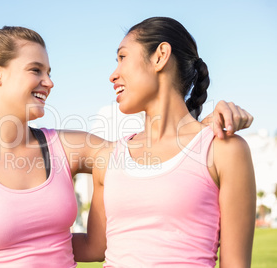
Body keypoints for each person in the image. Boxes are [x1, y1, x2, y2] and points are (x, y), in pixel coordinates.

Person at [0, 25, 253, 267]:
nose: (50, 82)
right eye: (35, 70)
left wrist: (206, 126)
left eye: (49, 71)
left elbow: (159, 157)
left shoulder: (67, 147)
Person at [72, 17, 256, 267]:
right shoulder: (108, 158)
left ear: (160, 56)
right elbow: (94, 246)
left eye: (122, 57)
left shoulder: (223, 149)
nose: (113, 75)